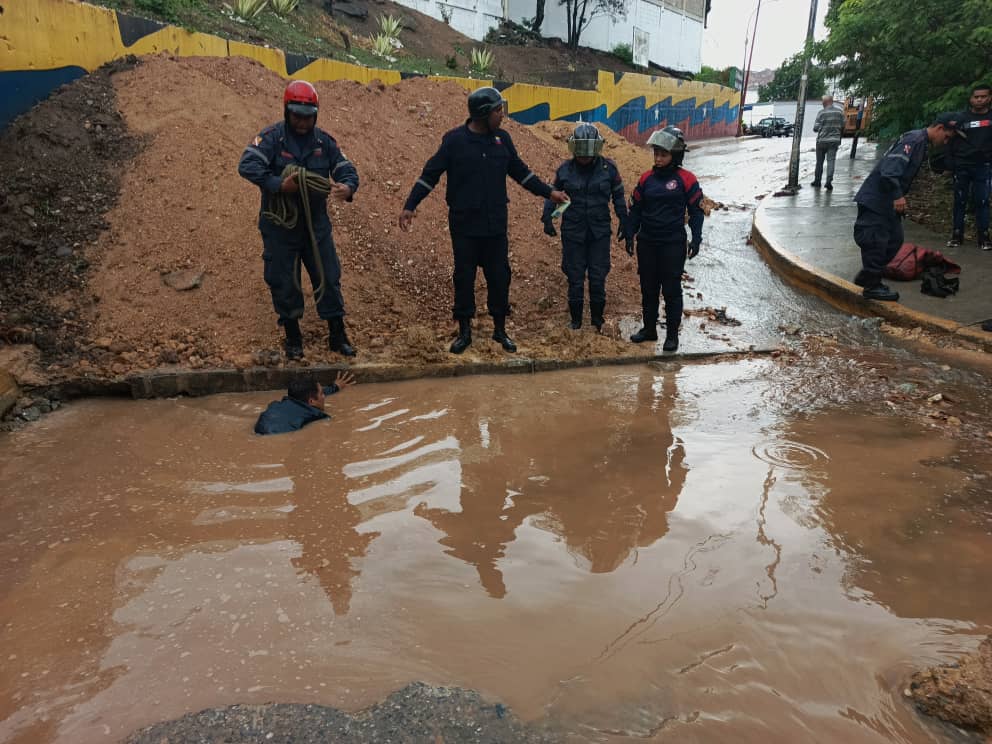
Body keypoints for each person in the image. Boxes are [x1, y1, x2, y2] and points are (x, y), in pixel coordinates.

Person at [398, 87, 568, 354]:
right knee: (464, 277)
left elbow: (521, 173)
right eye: (498, 111)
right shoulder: (454, 141)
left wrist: (550, 192)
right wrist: (410, 205)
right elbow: (430, 174)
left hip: (495, 226)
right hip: (464, 226)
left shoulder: (502, 139)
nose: (502, 115)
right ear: (483, 114)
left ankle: (500, 330)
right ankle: (464, 332)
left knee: (500, 277)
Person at [238, 80, 360, 360]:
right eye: (296, 115)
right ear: (286, 111)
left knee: (328, 277)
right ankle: (293, 336)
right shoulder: (271, 138)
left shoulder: (324, 142)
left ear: (315, 114)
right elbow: (247, 165)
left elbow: (345, 168)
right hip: (280, 227)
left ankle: (337, 334)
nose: (302, 121)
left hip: (315, 227)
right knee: (283, 280)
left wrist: (348, 186)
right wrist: (279, 185)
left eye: (307, 116)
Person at [852, 113, 957, 301]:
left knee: (894, 240)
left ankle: (868, 275)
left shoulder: (921, 143)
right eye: (947, 137)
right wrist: (898, 196)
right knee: (876, 241)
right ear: (940, 128)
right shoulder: (914, 140)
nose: (946, 142)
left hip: (887, 202)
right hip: (878, 199)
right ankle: (872, 285)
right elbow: (889, 171)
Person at [541, 123, 629, 331]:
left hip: (599, 233)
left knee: (598, 278)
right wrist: (547, 217)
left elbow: (618, 196)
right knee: (575, 278)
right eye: (580, 151)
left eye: (587, 151)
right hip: (573, 232)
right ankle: (576, 323)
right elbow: (552, 195)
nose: (584, 156)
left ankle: (597, 322)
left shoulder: (609, 169)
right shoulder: (565, 170)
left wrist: (624, 220)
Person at [626, 126, 705, 352]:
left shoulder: (686, 179)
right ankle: (649, 329)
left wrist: (696, 238)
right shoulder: (646, 179)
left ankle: (672, 336)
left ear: (675, 155)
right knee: (648, 288)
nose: (658, 158)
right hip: (648, 242)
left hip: (672, 243)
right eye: (656, 154)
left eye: (663, 154)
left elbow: (696, 212)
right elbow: (636, 209)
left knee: (671, 290)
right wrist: (630, 234)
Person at [946, 83, 992, 249]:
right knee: (959, 201)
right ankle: (957, 235)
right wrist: (950, 162)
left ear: (989, 98)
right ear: (971, 99)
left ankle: (984, 237)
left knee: (982, 201)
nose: (979, 100)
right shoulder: (960, 118)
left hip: (984, 166)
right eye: (976, 97)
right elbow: (949, 139)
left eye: (983, 96)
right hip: (961, 165)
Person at [254, 371, 356, 435]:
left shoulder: (280, 404)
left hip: (259, 429)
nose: (324, 396)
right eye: (322, 393)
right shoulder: (317, 416)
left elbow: (313, 396)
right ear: (311, 401)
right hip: (277, 436)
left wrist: (335, 387)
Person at [811, 94, 845, 190]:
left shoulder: (821, 113)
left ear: (825, 102)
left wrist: (823, 126)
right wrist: (839, 137)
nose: (822, 103)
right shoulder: (840, 112)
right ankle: (828, 181)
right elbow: (843, 126)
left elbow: (815, 128)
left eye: (823, 102)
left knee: (819, 162)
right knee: (831, 161)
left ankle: (817, 181)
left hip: (821, 141)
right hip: (834, 141)